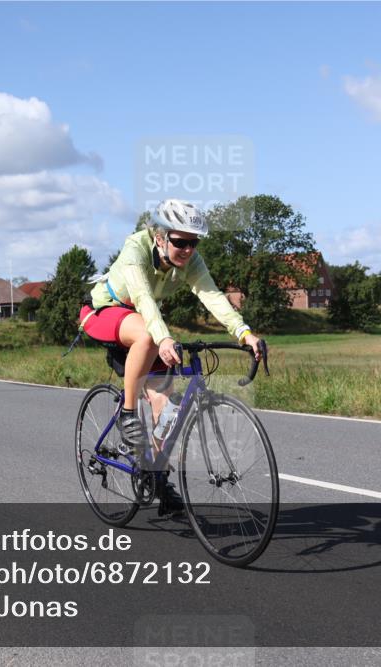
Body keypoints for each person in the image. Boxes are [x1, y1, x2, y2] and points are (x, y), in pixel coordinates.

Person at [77, 199, 264, 514]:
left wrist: (244, 332)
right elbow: (142, 297)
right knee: (150, 335)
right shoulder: (135, 249)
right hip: (106, 312)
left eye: (194, 242)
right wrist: (163, 337)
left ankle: (156, 477)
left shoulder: (191, 261)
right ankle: (127, 414)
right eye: (181, 242)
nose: (189, 249)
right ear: (160, 236)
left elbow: (212, 296)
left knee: (169, 410)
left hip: (143, 323)